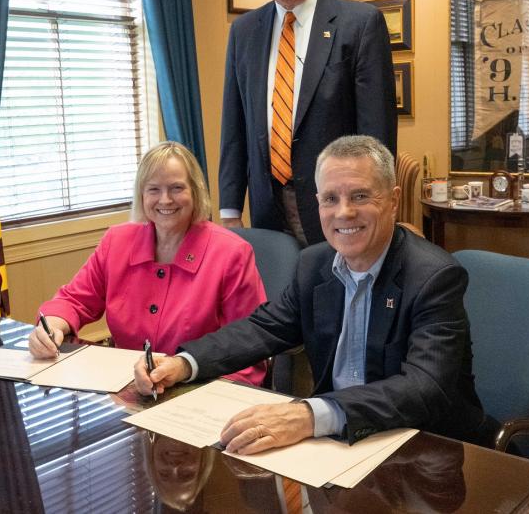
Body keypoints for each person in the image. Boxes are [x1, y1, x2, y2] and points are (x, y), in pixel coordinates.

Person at [136, 135, 494, 453]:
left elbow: (425, 387)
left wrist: (310, 415)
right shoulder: (314, 264)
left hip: (427, 448)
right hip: (337, 446)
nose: (344, 212)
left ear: (393, 200)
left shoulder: (434, 276)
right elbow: (264, 328)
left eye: (360, 196)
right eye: (330, 199)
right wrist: (184, 363)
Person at [219, 0, 397, 247]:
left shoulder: (359, 24)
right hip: (267, 207)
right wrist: (230, 207)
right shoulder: (243, 32)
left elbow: (377, 131)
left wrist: (377, 204)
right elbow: (234, 126)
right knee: (279, 295)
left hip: (341, 206)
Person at [29, 141, 267, 386]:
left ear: (195, 192)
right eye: (153, 189)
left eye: (176, 188)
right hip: (125, 386)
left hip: (199, 387)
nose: (165, 200)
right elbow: (73, 300)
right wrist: (51, 329)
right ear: (141, 195)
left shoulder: (231, 253)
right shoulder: (117, 242)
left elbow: (248, 345)